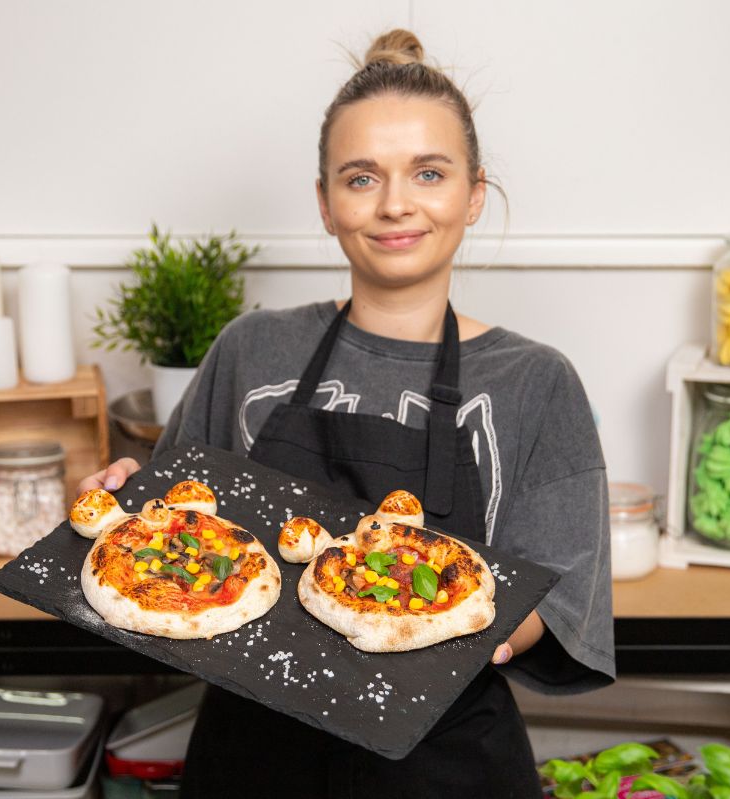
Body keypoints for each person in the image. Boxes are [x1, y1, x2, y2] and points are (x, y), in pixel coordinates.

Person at [78, 28, 614, 798]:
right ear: (326, 205)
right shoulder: (253, 350)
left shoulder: (535, 382)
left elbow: (559, 607)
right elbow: (173, 533)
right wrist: (136, 509)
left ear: (472, 194)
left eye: (428, 172)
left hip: (444, 764)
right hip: (253, 757)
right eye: (361, 179)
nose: (396, 203)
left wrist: (425, 616)